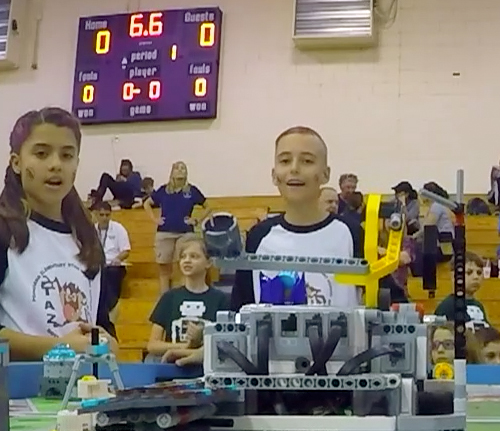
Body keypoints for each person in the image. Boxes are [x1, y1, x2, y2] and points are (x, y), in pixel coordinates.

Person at [0, 108, 114, 358]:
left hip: (84, 389)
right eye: (41, 153)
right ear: (17, 162)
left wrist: (109, 342)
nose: (55, 165)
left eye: (67, 155)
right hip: (18, 391)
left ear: (77, 165)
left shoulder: (86, 238)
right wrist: (59, 348)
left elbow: (101, 322)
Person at [231, 126, 364, 310]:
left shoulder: (351, 233)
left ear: (325, 174)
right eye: (285, 160)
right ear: (274, 175)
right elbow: (240, 308)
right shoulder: (259, 237)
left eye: (307, 161)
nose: (294, 169)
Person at [147, 235, 228, 367]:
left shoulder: (221, 300)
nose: (187, 260)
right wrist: (185, 347)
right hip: (173, 369)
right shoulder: (170, 297)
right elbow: (153, 345)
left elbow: (226, 342)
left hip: (206, 369)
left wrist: (201, 339)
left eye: (194, 256)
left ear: (208, 262)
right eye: (183, 257)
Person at [143, 161, 207, 294]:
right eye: (177, 168)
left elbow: (208, 206)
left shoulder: (192, 191)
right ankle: (165, 297)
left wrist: (196, 220)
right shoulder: (163, 190)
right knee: (164, 267)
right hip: (165, 232)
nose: (180, 170)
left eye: (183, 168)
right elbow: (147, 203)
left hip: (185, 233)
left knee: (184, 264)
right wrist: (155, 219)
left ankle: (183, 294)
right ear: (172, 172)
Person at [95, 201, 131, 326]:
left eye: (107, 215)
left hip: (114, 264)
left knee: (111, 273)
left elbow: (126, 250)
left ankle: (111, 306)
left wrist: (117, 259)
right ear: (96, 215)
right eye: (101, 215)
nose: (104, 218)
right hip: (97, 265)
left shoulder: (118, 228)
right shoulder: (90, 230)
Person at [434, 251, 488, 329]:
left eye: (479, 273)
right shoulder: (447, 306)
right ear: (454, 276)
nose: (476, 277)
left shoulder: (479, 306)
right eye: (469, 272)